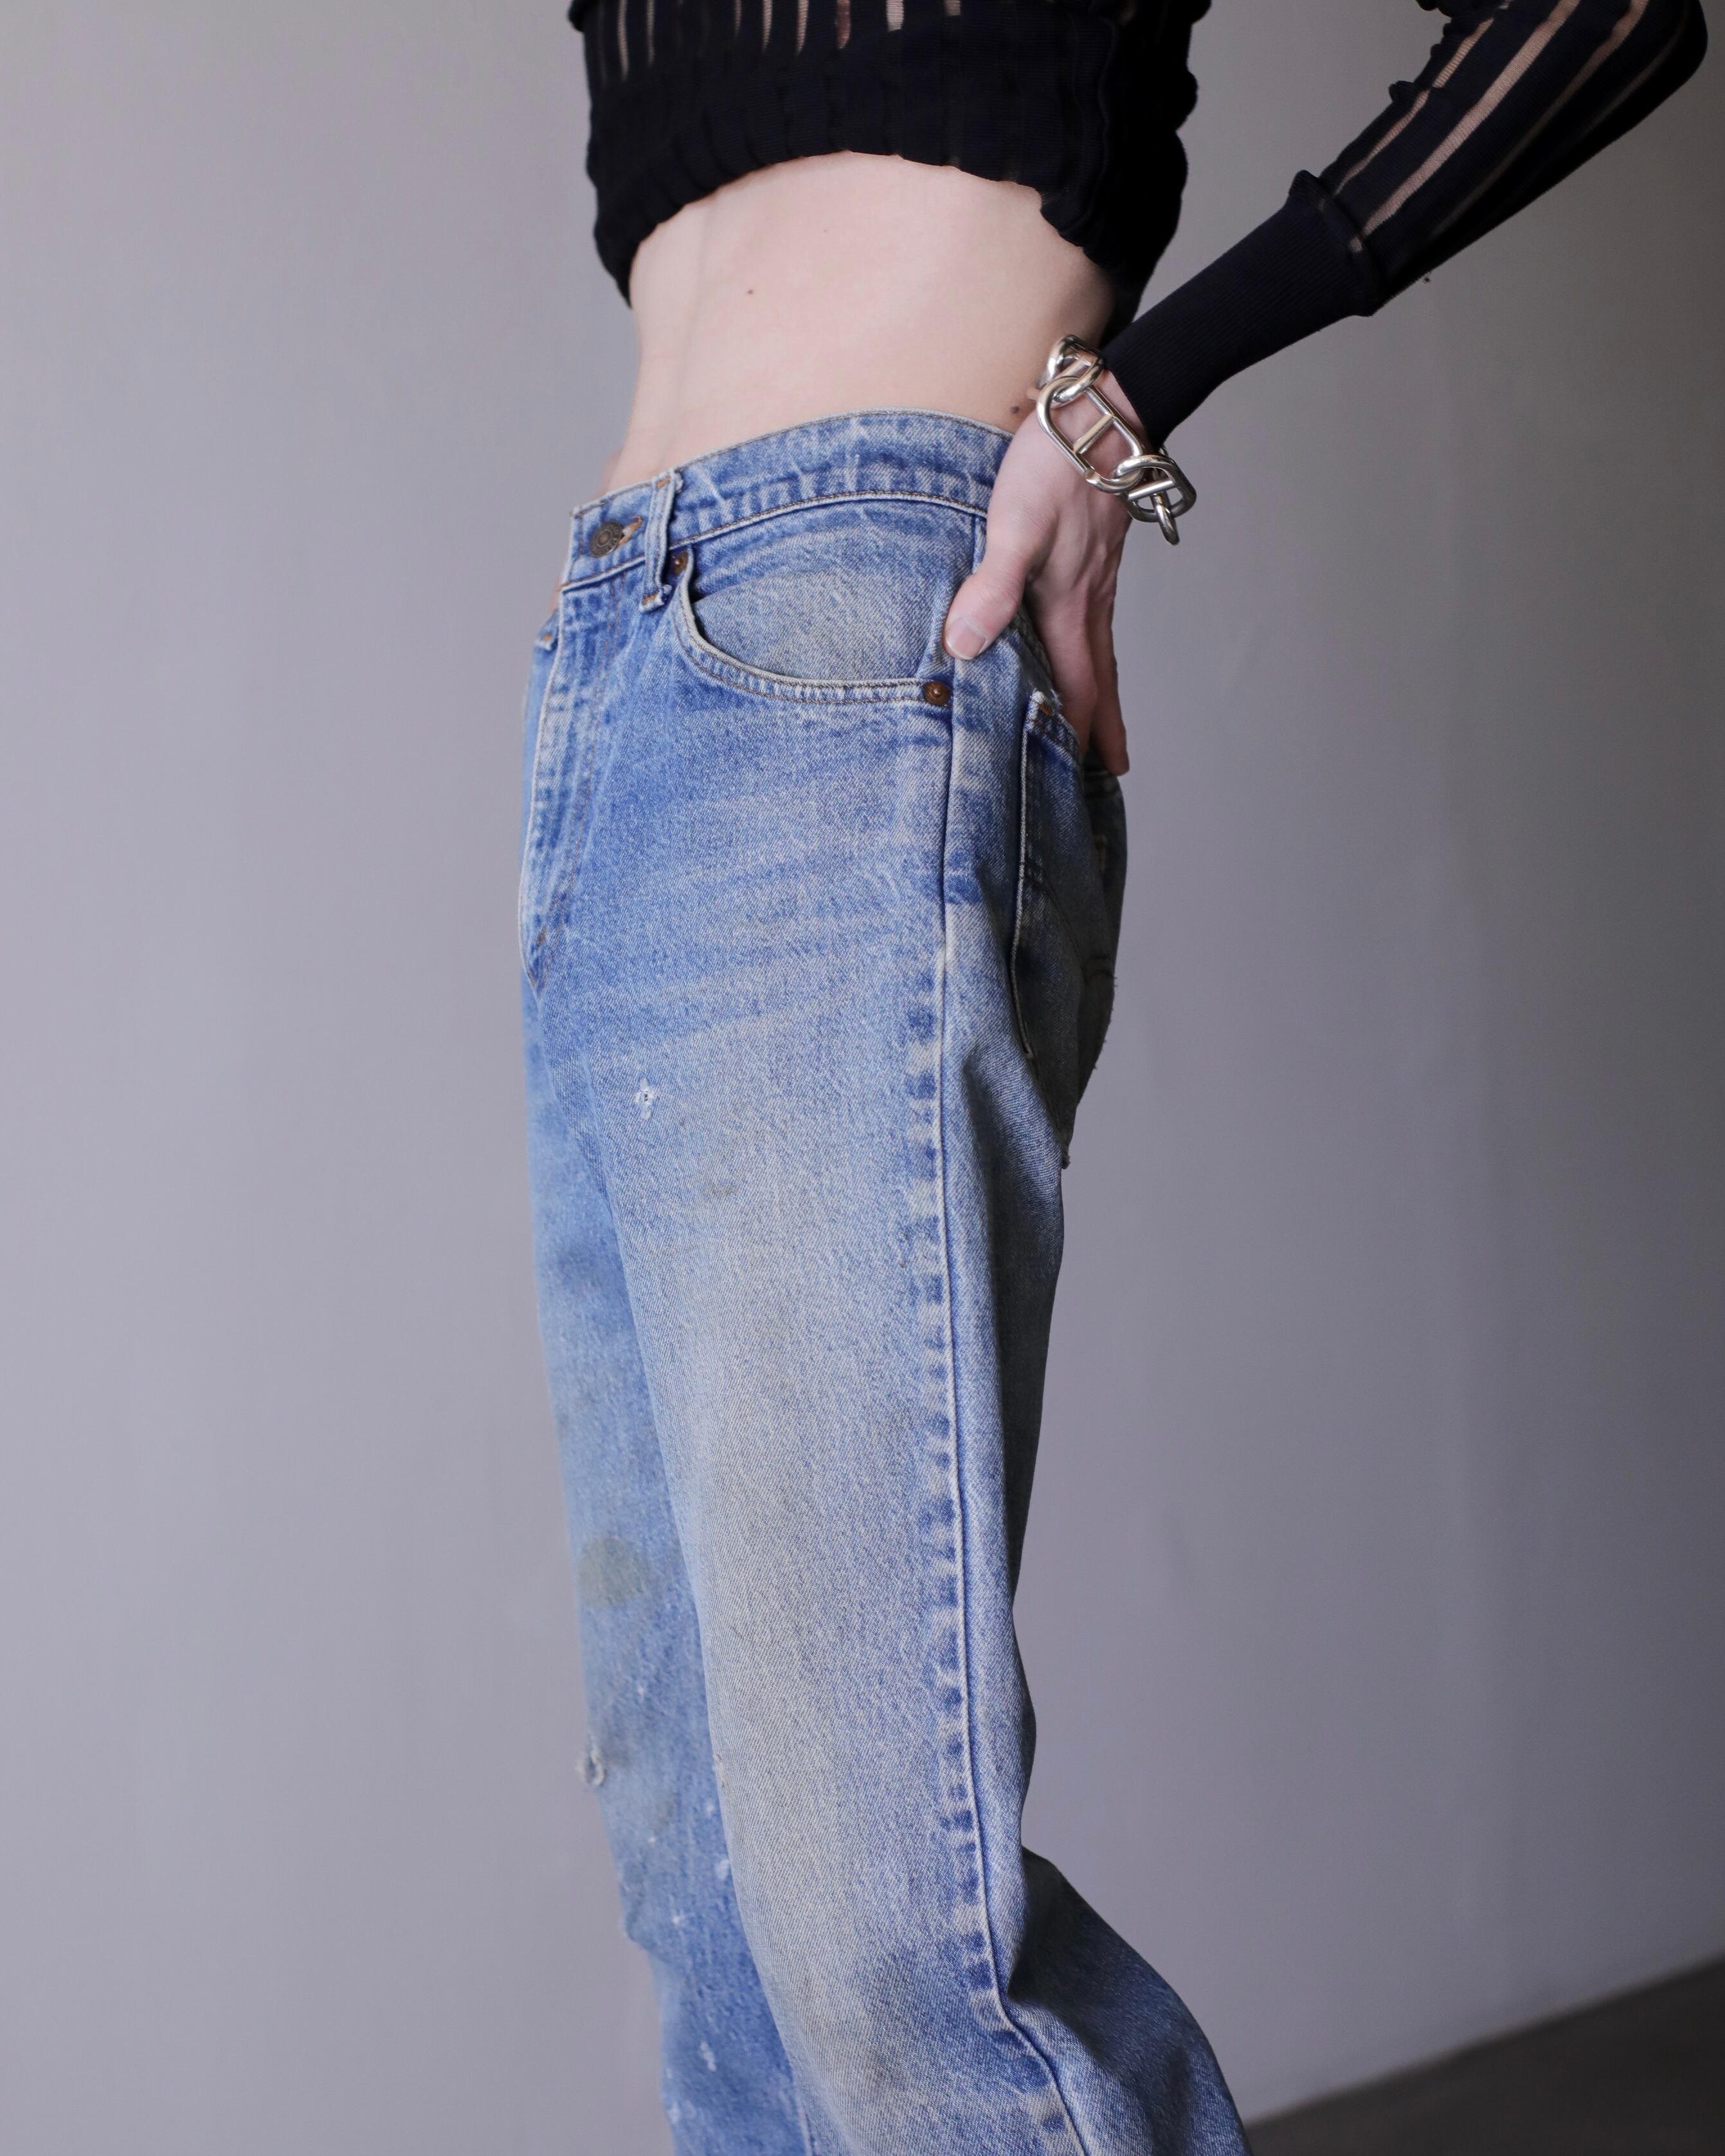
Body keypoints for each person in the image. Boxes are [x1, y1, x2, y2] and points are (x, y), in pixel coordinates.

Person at [517, 4, 1707, 2150]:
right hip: (624, 656)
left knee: (876, 1936)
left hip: (861, 599)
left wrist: (1129, 396)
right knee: (719, 1924)